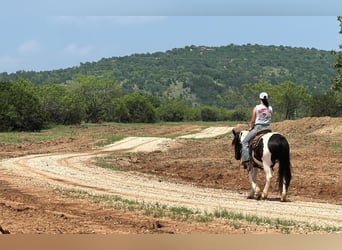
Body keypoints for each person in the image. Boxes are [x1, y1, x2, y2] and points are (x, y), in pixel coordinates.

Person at [241, 92, 273, 169]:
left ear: (260, 99)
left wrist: (251, 128)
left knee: (244, 142)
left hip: (258, 128)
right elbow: (269, 118)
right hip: (268, 129)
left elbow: (252, 121)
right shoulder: (270, 108)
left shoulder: (257, 108)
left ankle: (247, 161)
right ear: (267, 99)